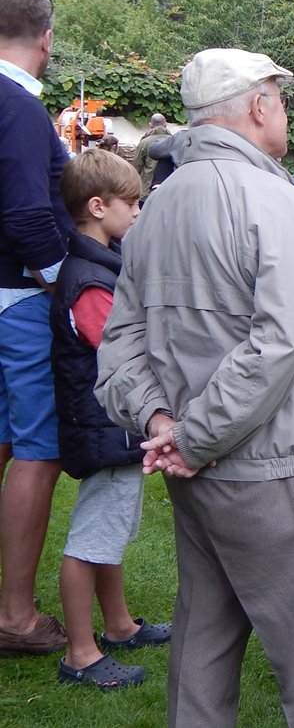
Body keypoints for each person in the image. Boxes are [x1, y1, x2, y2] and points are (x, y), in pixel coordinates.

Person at [96, 48, 294, 726]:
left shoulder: (156, 206)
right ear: (258, 104)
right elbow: (282, 342)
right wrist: (190, 435)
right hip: (276, 469)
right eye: (277, 93)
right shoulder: (274, 199)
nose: (281, 107)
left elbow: (120, 339)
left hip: (201, 470)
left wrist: (161, 422)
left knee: (205, 648)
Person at [51, 149, 171, 690]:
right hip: (104, 426)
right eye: (132, 204)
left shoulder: (97, 263)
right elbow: (117, 348)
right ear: (98, 207)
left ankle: (119, 625)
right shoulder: (90, 280)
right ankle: (80, 652)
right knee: (92, 539)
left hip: (111, 429)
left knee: (112, 530)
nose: (138, 212)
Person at [0, 0, 71, 656]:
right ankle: (15, 617)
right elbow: (25, 211)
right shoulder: (18, 104)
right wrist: (63, 285)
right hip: (20, 300)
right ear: (45, 39)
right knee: (36, 449)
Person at [131, 113, 170, 199]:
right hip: (170, 190)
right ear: (166, 124)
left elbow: (136, 168)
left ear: (150, 125)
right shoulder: (174, 141)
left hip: (147, 192)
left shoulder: (144, 143)